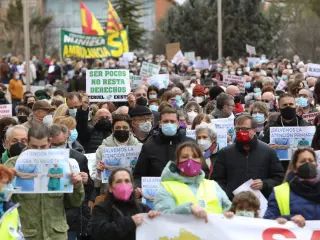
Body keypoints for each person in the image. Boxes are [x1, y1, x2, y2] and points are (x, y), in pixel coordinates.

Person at [5, 123, 84, 240]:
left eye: (43, 146)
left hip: (56, 234)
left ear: (49, 142)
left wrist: (77, 185)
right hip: (25, 234)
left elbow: (76, 202)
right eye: (34, 147)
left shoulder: (62, 163)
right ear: (27, 142)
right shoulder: (13, 164)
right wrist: (7, 183)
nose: (39, 151)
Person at [212, 115, 284, 199]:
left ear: (254, 130)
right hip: (233, 203)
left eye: (245, 129)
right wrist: (227, 195)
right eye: (238, 129)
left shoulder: (268, 152)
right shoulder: (225, 153)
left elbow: (279, 178)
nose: (240, 132)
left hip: (260, 203)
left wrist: (264, 184)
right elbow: (217, 180)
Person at [154, 142, 231, 221]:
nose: (190, 160)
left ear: (201, 161)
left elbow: (229, 208)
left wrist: (229, 214)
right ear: (177, 162)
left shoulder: (213, 185)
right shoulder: (166, 187)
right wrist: (188, 208)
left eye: (195, 156)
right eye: (184, 157)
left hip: (214, 232)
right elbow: (163, 216)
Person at [49, 124, 94, 239]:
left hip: (71, 214)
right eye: (53, 145)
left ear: (66, 140)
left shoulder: (78, 158)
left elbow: (89, 189)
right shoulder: (39, 159)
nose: (57, 148)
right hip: (48, 211)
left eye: (60, 144)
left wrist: (86, 181)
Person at [89, 168, 160, 240]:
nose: (124, 185)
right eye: (118, 181)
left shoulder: (143, 208)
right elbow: (98, 232)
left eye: (127, 181)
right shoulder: (101, 208)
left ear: (132, 187)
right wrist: (130, 222)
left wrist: (155, 219)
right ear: (110, 188)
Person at [133, 107, 194, 188]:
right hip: (156, 195)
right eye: (165, 121)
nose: (169, 124)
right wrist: (138, 189)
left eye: (172, 121)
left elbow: (201, 171)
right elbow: (138, 176)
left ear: (178, 124)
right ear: (160, 124)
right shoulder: (149, 146)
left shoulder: (191, 144)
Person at [264, 148, 320, 226]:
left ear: (316, 165)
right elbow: (268, 220)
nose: (308, 164)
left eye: (311, 161)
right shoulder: (280, 191)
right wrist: (290, 218)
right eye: (303, 161)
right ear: (294, 168)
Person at [94, 114, 141, 193]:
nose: (121, 130)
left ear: (130, 130)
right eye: (118, 128)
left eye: (125, 128)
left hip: (133, 192)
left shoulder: (140, 148)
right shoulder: (102, 149)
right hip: (109, 192)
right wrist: (99, 172)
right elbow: (96, 180)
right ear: (112, 130)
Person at [0, 165, 23, 239]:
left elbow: (18, 234)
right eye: (5, 182)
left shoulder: (12, 209)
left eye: (9, 183)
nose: (9, 187)